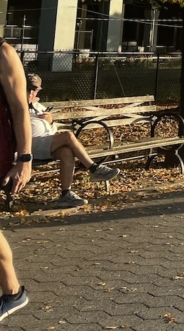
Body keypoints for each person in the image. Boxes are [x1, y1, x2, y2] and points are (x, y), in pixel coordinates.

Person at [26, 75, 119, 208]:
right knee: (68, 135)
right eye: (28, 89)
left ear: (38, 91)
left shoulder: (38, 106)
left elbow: (51, 130)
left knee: (66, 151)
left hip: (46, 142)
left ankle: (66, 194)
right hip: (30, 145)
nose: (31, 93)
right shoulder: (17, 105)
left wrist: (50, 121)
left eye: (34, 90)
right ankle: (94, 169)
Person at [0, 38, 32, 320]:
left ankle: (13, 294)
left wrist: (24, 159)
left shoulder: (3, 53)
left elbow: (21, 107)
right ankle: (12, 294)